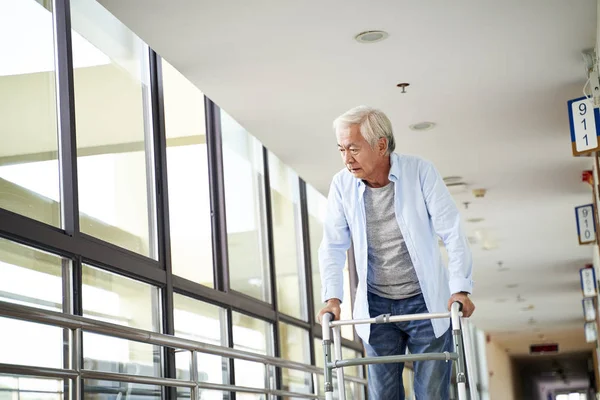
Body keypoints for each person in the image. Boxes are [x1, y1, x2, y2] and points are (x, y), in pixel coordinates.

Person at [317, 106, 475, 399]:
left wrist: (460, 289)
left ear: (380, 145)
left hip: (426, 303)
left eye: (353, 148)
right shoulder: (342, 185)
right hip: (376, 306)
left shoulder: (420, 172)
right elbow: (332, 245)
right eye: (341, 149)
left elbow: (451, 230)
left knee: (431, 393)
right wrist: (333, 300)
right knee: (383, 395)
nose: (346, 158)